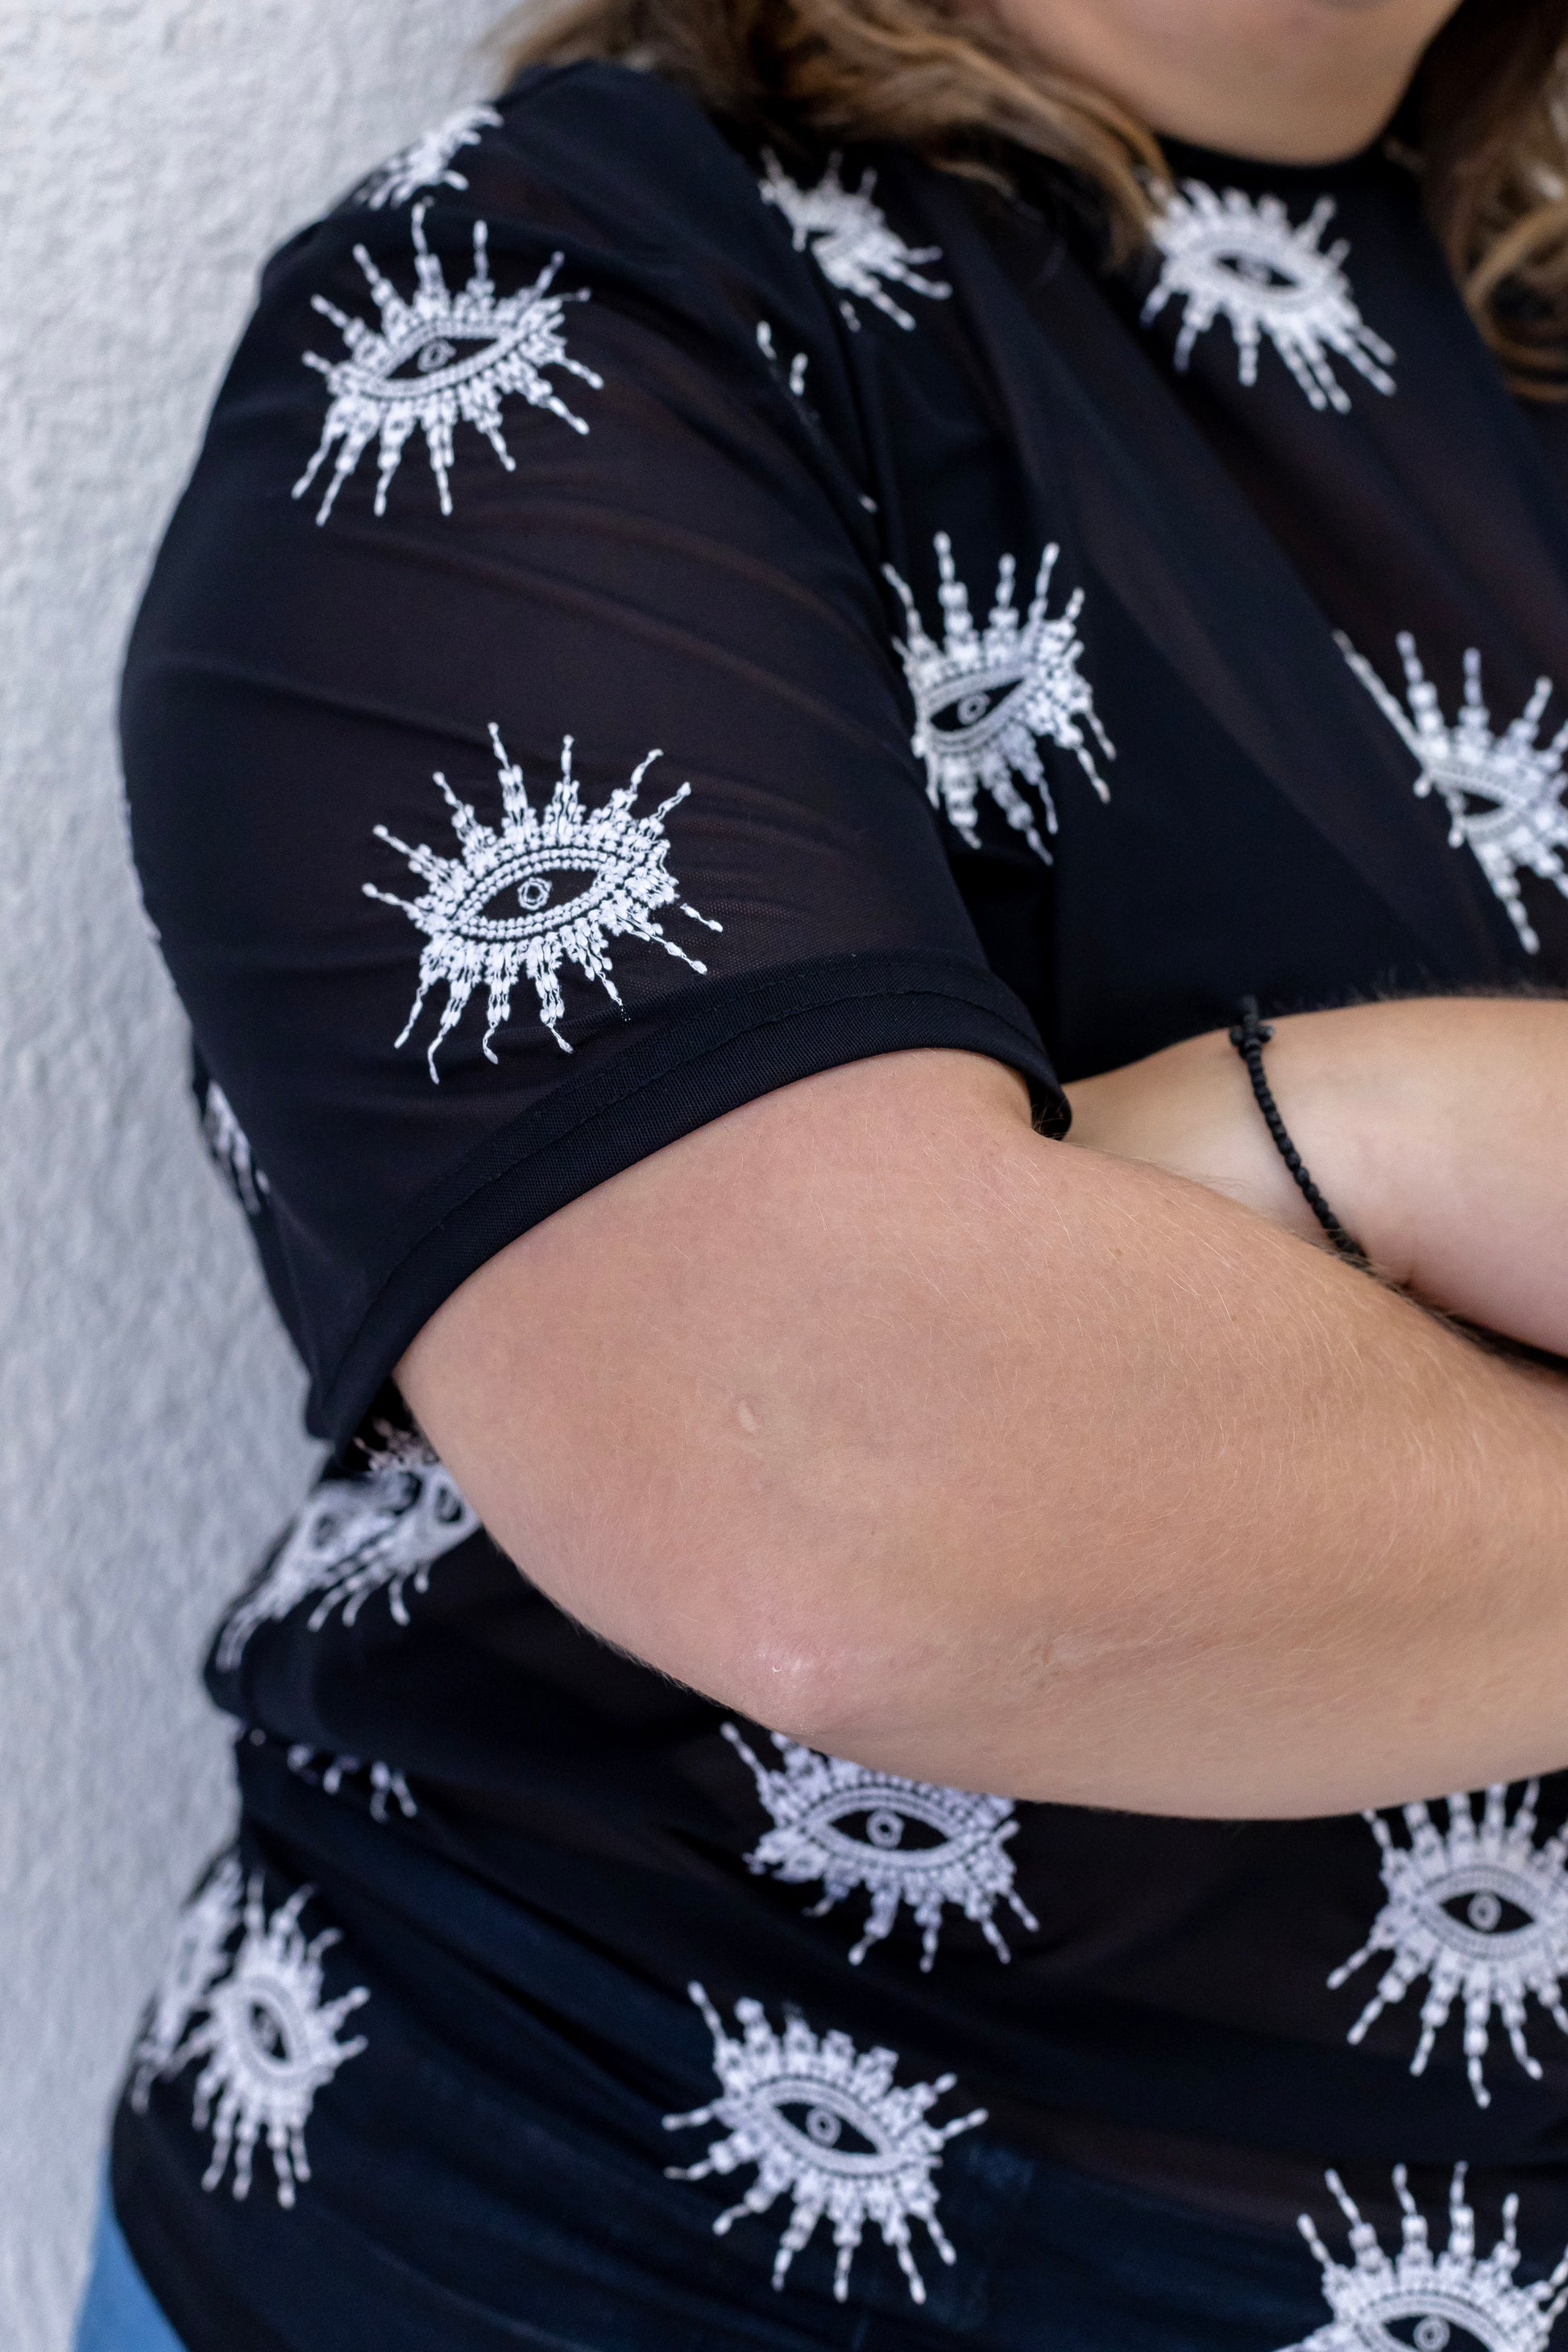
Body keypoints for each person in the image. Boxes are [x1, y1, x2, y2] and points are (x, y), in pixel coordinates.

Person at [79, 0, 1568, 2345]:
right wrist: (1388, 1118)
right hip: (620, 2263)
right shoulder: (572, 297)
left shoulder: (1524, 347)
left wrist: (1287, 1167)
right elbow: (852, 1488)